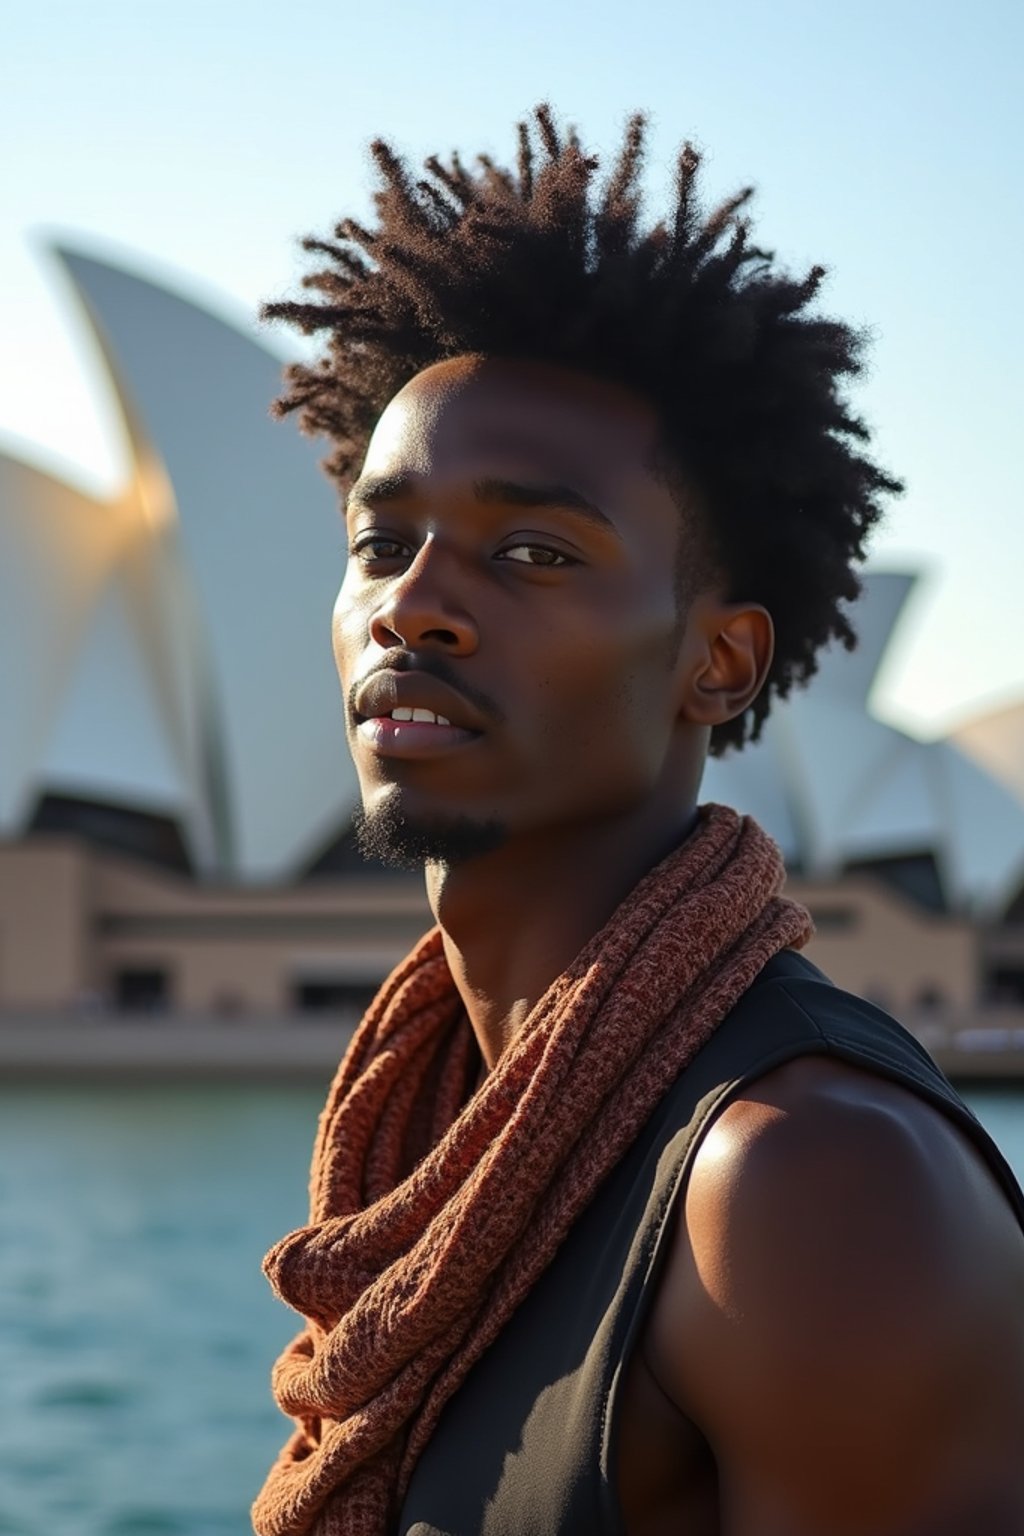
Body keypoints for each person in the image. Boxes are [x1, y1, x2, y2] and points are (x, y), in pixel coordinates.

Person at [252, 109, 1024, 1536]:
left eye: (534, 552)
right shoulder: (435, 1127)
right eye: (380, 542)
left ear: (716, 662)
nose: (411, 603)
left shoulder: (805, 1191)